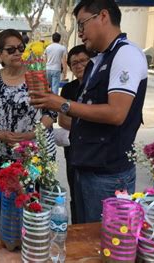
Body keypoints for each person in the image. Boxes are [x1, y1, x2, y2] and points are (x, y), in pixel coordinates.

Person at [30, 0, 148, 223]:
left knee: (103, 243)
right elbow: (86, 110)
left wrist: (63, 104)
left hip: (107, 173)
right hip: (87, 166)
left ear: (103, 16)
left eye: (82, 24)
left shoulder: (126, 55)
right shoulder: (99, 59)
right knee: (85, 237)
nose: (81, 33)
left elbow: (116, 113)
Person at [0, 29, 57, 232]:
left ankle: (28, 242)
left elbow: (50, 114)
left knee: (30, 200)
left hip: (31, 156)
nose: (17, 53)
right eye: (10, 49)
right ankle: (1, 242)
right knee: (1, 199)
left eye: (21, 48)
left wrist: (30, 135)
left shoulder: (36, 79)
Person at [58, 45, 95, 224]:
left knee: (93, 193)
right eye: (74, 63)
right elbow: (63, 121)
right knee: (75, 190)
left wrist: (79, 123)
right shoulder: (68, 89)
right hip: (73, 148)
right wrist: (90, 123)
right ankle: (76, 228)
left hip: (96, 149)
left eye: (83, 60)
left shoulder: (99, 86)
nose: (79, 65)